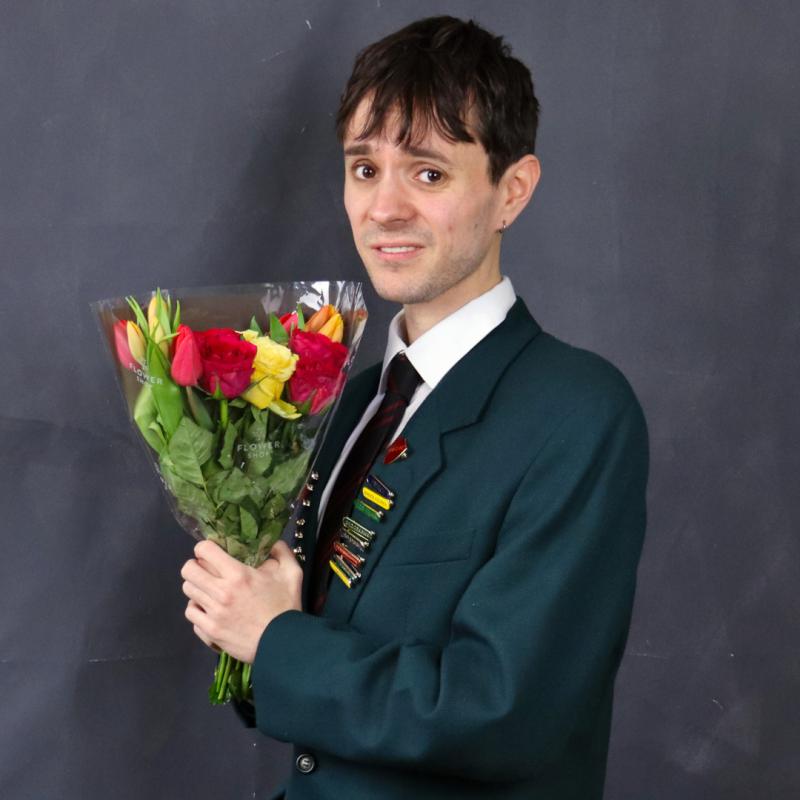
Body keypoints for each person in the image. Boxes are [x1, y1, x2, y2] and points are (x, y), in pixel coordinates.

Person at [180, 15, 649, 800]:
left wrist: (275, 637)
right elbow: (296, 685)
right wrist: (243, 619)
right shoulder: (350, 402)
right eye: (365, 170)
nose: (385, 208)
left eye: (428, 174)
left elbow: (502, 712)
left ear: (513, 191)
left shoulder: (578, 413)